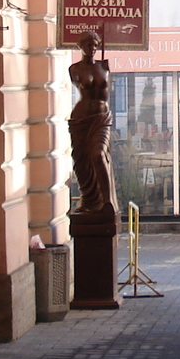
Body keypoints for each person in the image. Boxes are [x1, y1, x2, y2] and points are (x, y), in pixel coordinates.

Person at [67, 30, 116, 220]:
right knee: (82, 161)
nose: (92, 48)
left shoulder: (104, 66)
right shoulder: (74, 69)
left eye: (95, 45)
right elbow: (79, 84)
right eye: (88, 45)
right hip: (81, 119)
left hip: (101, 118)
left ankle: (107, 201)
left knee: (97, 154)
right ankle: (88, 201)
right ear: (80, 46)